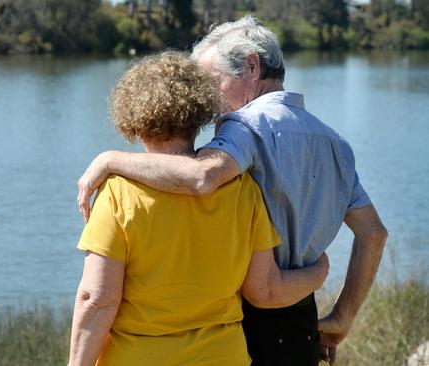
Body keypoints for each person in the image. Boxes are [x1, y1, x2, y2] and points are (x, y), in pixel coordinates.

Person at [76, 16, 387, 366]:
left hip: (246, 327)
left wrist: (109, 159)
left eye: (212, 82)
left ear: (252, 67)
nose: (208, 102)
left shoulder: (243, 126)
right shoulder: (334, 142)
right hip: (302, 326)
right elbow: (374, 234)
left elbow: (202, 176)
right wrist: (342, 318)